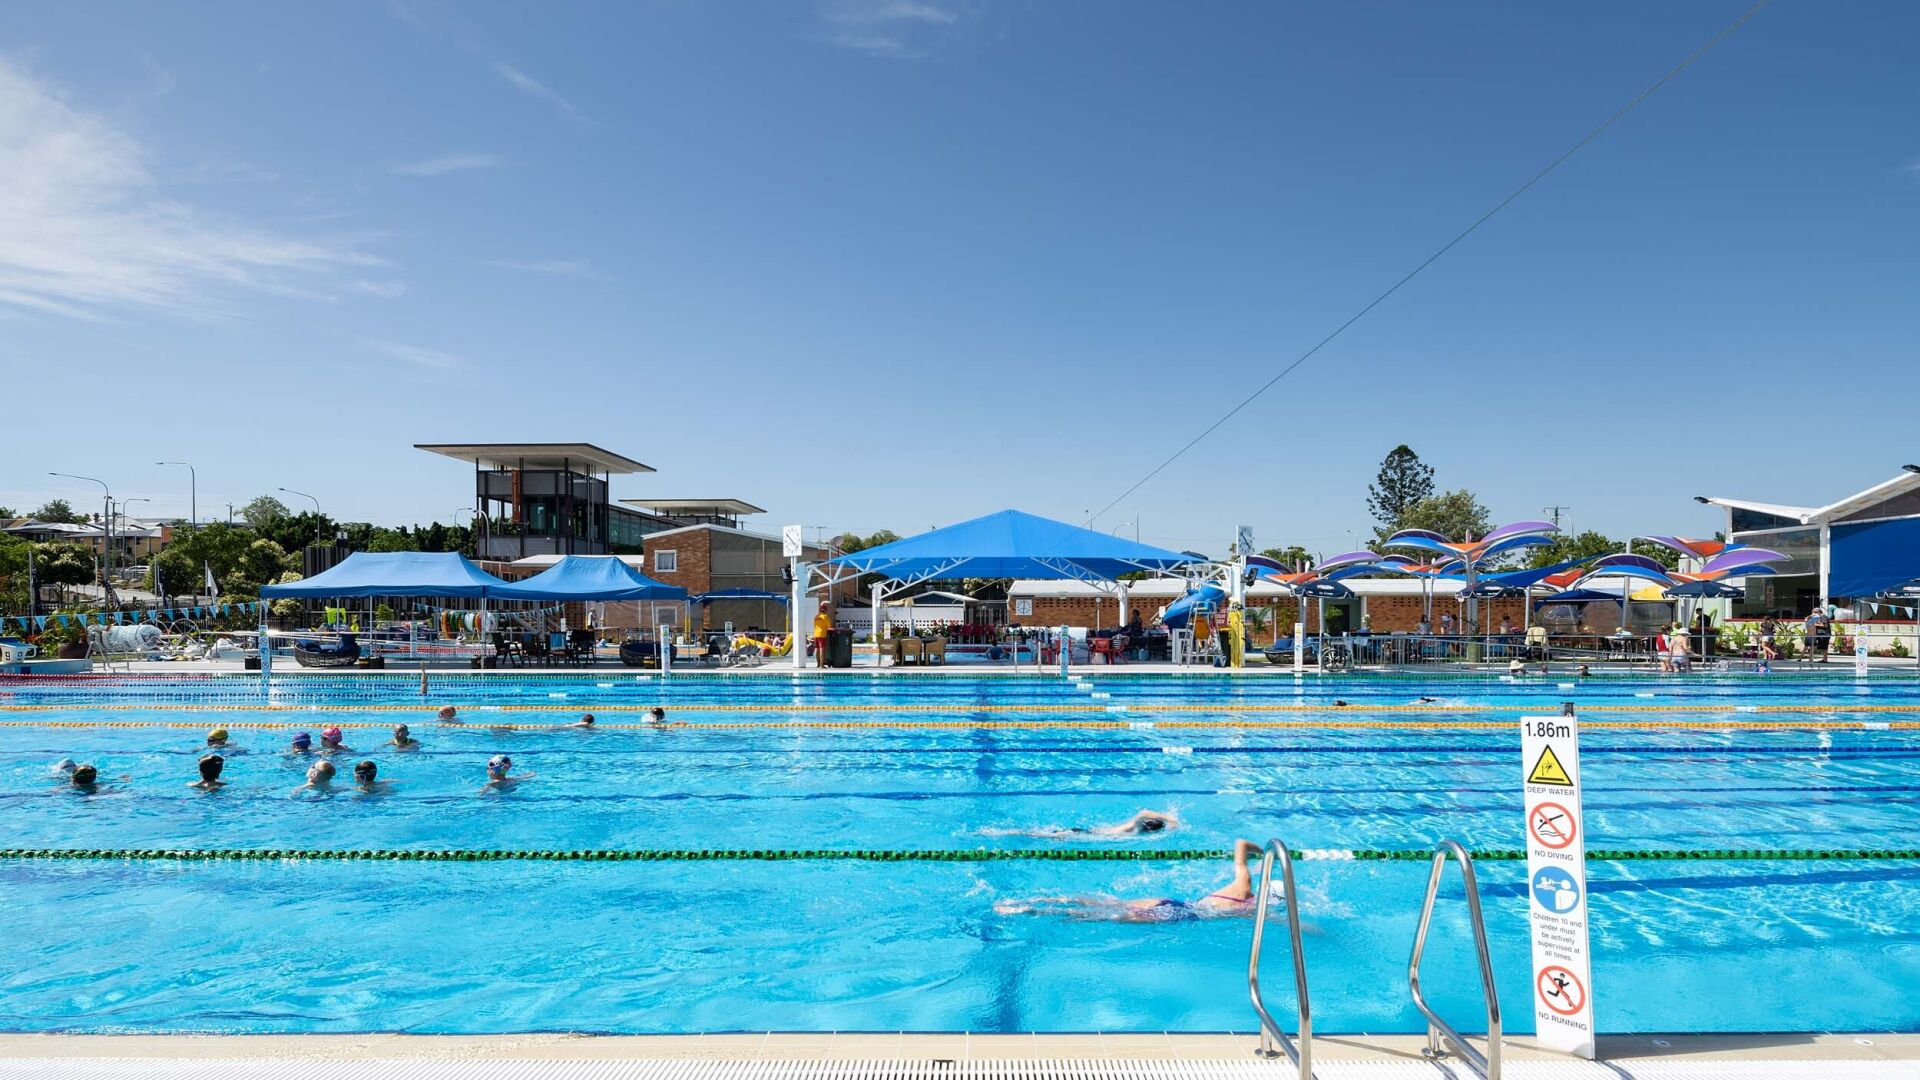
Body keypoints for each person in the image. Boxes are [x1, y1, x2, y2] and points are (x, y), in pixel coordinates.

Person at [994, 839, 1267, 922]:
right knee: (1102, 916)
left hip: (1170, 900)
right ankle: (1033, 911)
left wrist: (1265, 853)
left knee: (1106, 903)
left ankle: (1034, 902)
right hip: (1178, 914)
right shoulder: (1253, 908)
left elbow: (1241, 845)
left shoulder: (1241, 885)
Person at [984, 809, 1180, 839]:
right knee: (1035, 835)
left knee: (1038, 834)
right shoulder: (1134, 828)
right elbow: (1145, 812)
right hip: (1083, 834)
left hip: (1084, 832)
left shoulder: (1133, 829)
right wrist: (1171, 820)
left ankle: (1004, 832)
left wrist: (1169, 819)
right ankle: (1000, 833)